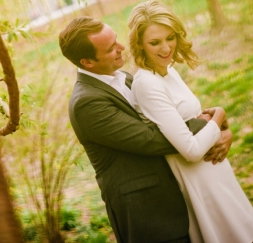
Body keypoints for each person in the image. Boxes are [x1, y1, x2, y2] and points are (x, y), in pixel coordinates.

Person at [59, 16, 232, 243]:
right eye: (111, 48)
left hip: (176, 194)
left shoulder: (125, 78)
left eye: (116, 40)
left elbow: (164, 120)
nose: (122, 48)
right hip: (147, 213)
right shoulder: (86, 104)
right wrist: (211, 123)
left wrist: (220, 131)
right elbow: (150, 139)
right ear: (87, 62)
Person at [127, 0, 253, 243]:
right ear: (139, 43)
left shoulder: (167, 70)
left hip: (213, 169)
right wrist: (221, 115)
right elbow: (191, 150)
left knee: (251, 234)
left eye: (170, 38)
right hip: (198, 179)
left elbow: (196, 120)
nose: (165, 48)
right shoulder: (147, 84)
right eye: (155, 42)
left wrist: (225, 135)